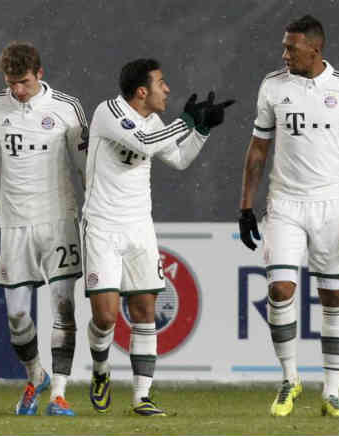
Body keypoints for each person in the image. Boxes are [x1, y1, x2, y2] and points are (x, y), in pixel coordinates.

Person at [238, 15, 339, 418]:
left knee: (334, 297)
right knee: (280, 290)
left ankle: (332, 393)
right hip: (284, 204)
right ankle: (289, 379)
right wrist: (246, 206)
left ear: (315, 49)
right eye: (284, 47)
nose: (284, 55)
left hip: (333, 206)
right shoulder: (272, 86)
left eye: (291, 48)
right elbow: (258, 150)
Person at [82, 58, 233, 416]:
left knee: (145, 310)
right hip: (102, 225)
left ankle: (141, 396)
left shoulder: (154, 121)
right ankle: (101, 369)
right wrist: (186, 121)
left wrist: (201, 131)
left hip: (139, 228)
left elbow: (178, 159)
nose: (167, 89)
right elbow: (146, 144)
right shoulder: (108, 112)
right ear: (141, 91)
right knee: (105, 317)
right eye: (161, 83)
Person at [0, 42, 87, 416]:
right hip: (13, 225)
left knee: (64, 309)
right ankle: (35, 375)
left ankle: (59, 393)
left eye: (25, 82)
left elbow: (86, 167)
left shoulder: (67, 108)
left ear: (40, 74)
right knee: (15, 317)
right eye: (12, 83)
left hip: (59, 221)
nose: (18, 91)